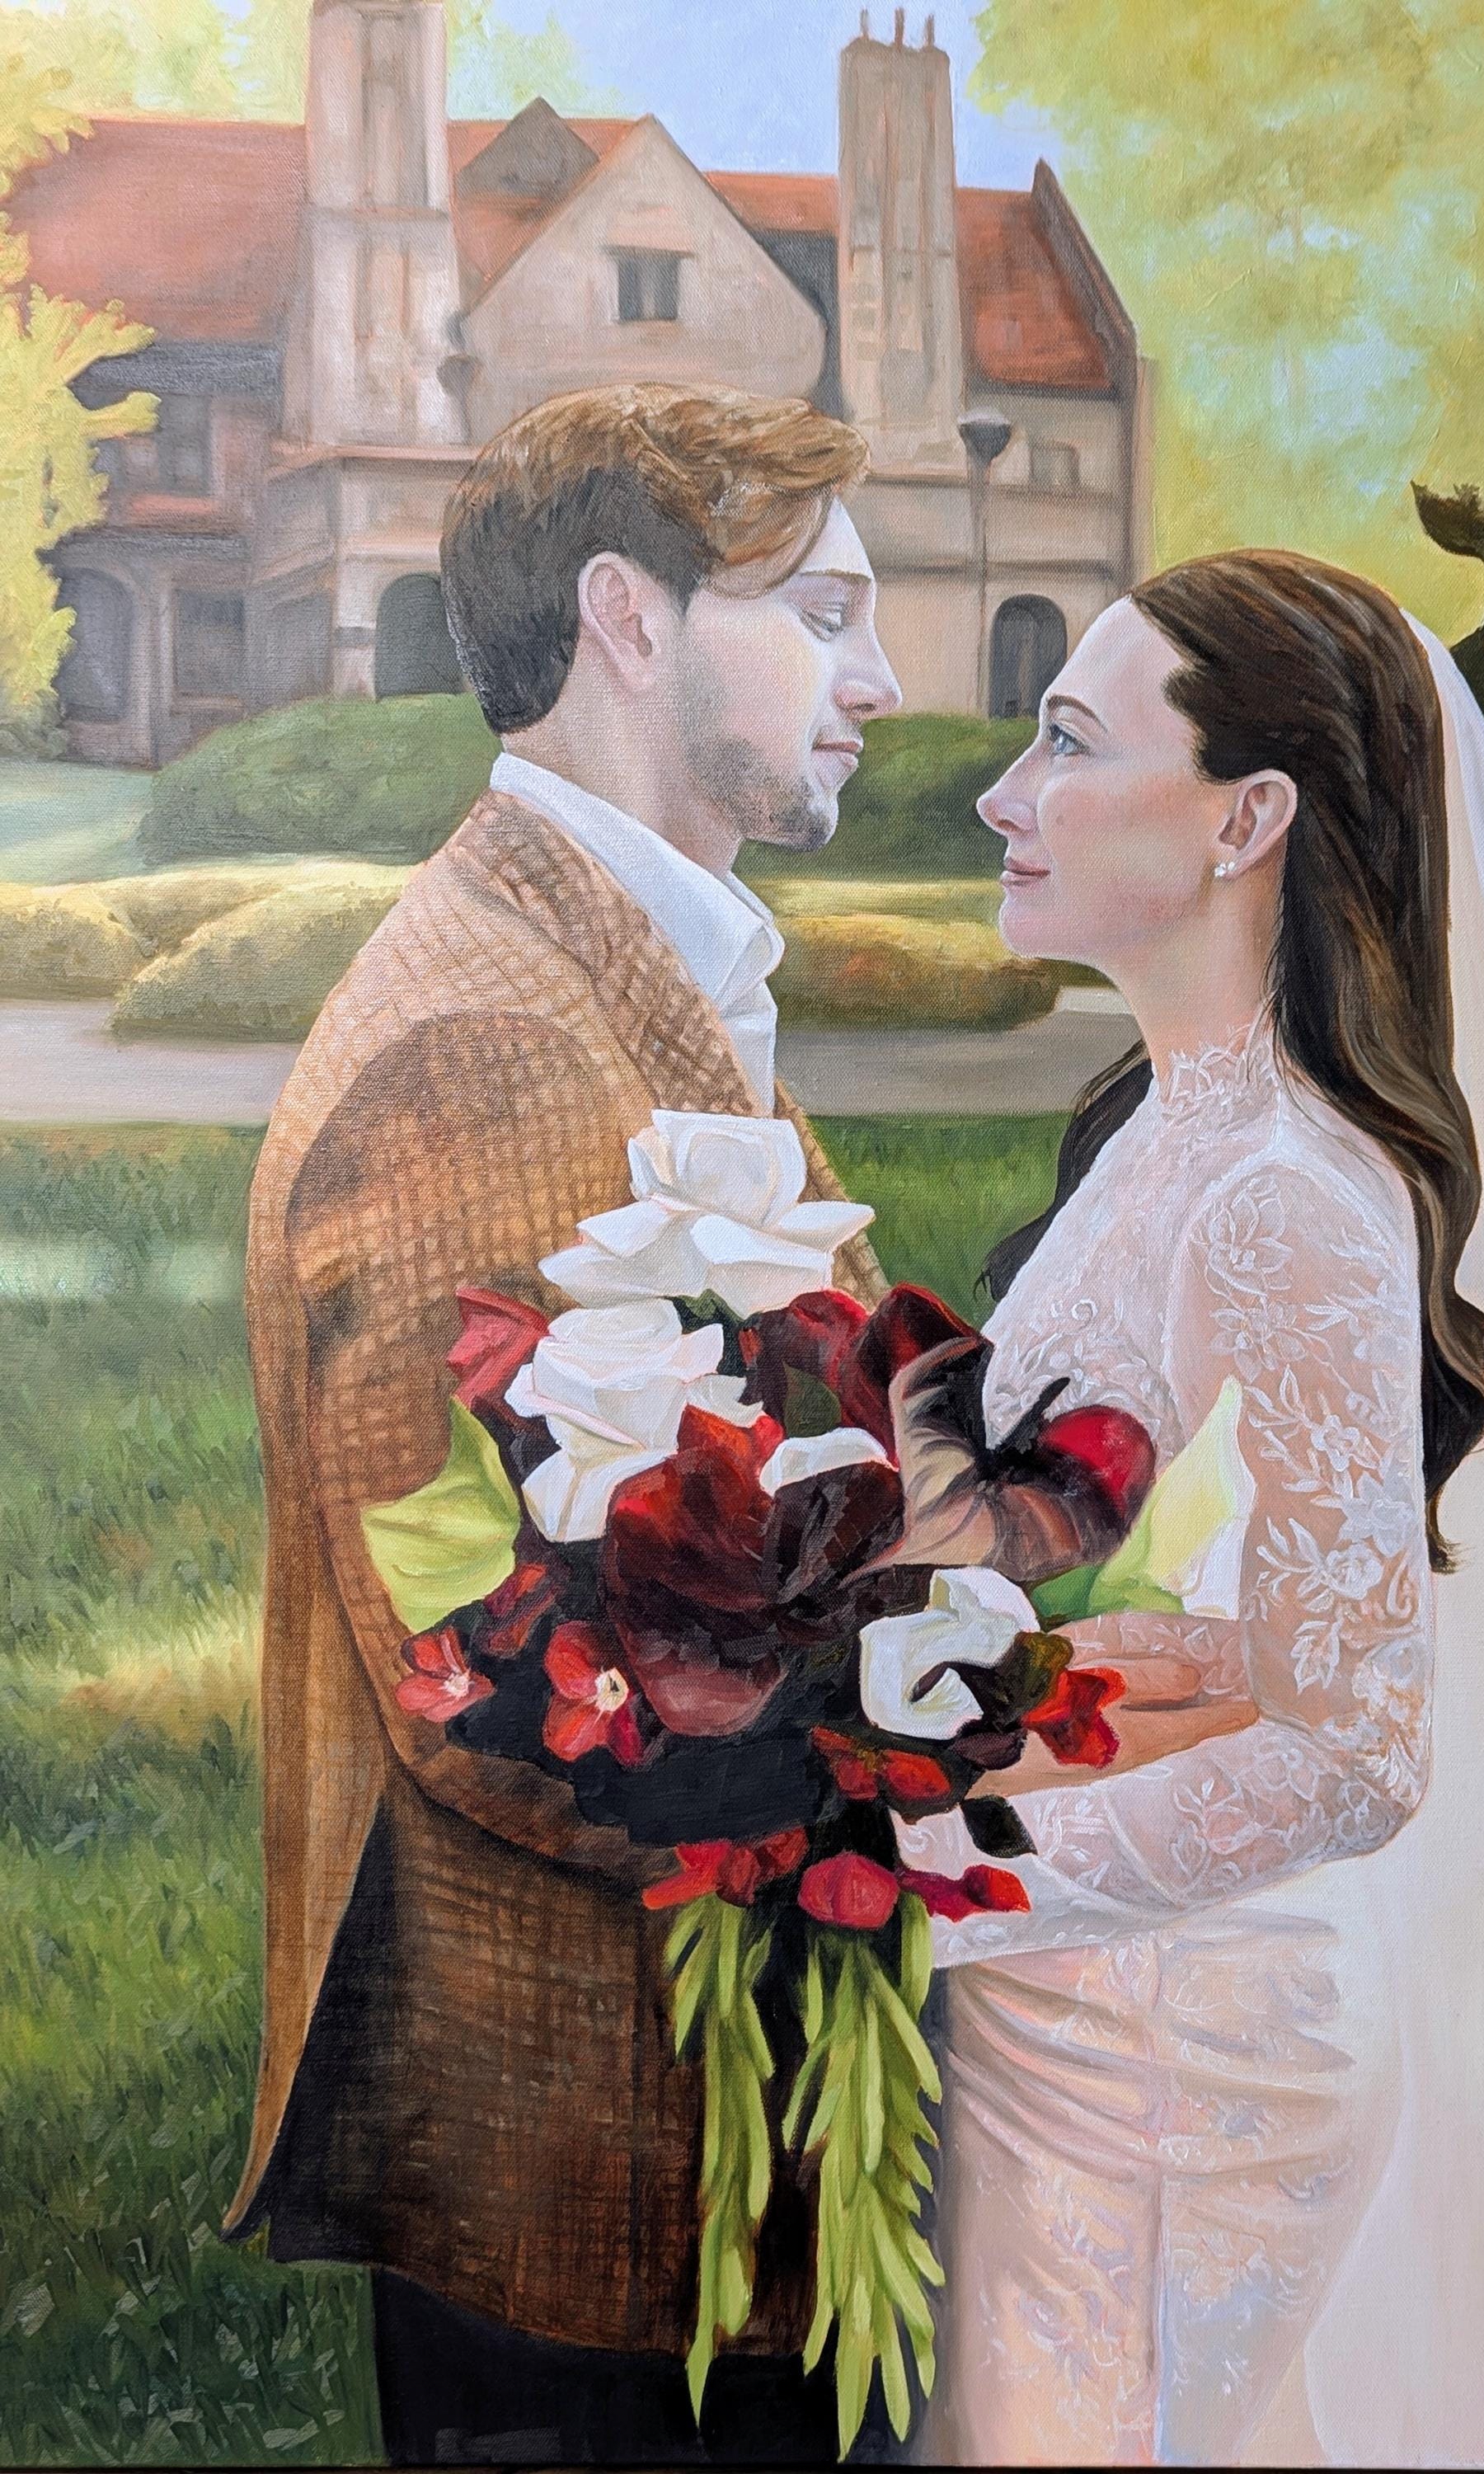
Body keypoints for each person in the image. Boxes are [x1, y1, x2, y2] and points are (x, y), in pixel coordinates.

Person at [895, 550, 1484, 2467]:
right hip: (1094, 2014)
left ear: (1247, 819)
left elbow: (1355, 1748)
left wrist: (928, 1873)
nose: (1004, 795)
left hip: (1191, 2057)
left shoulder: (1283, 1201)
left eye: (1068, 741)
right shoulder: (1171, 1130)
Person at [223, 381, 902, 2467]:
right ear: (627, 613)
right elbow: (494, 1677)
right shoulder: (486, 1038)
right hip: (596, 2198)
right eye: (825, 614)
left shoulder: (609, 961)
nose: (879, 679)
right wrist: (950, 1754)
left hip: (670, 2178)